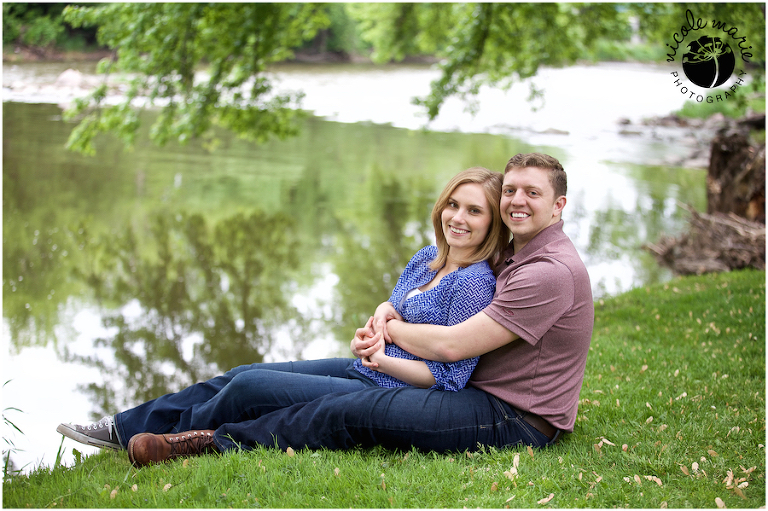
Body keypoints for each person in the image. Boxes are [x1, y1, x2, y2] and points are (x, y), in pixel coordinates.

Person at [104, 152, 592, 460]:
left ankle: (206, 442)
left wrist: (388, 332)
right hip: (449, 382)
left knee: (344, 411)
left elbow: (449, 347)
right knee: (251, 376)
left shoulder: (545, 270)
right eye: (510, 191)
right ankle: (125, 426)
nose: (517, 201)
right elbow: (429, 292)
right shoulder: (517, 253)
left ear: (559, 205)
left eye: (532, 193)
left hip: (512, 417)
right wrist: (386, 311)